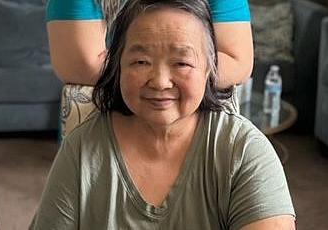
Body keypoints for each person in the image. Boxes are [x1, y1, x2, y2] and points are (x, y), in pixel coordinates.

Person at [30, 0, 295, 229]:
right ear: (118, 66)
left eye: (181, 62)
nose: (159, 81)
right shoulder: (81, 151)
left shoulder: (245, 152)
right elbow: (79, 63)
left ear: (209, 68)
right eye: (141, 62)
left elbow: (239, 60)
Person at [45, 0, 253, 90]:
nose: (161, 83)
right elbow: (82, 66)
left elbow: (237, 62)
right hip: (106, 133)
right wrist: (181, 70)